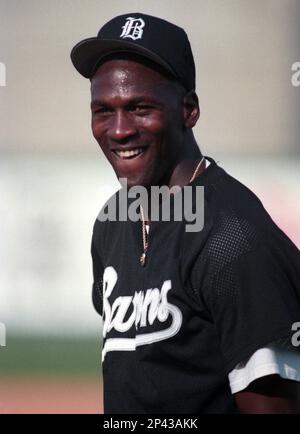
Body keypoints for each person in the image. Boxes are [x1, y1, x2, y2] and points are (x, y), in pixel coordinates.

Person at [71, 12, 300, 414]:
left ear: (189, 110)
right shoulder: (112, 222)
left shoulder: (233, 238)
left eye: (140, 107)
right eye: (103, 110)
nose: (119, 130)